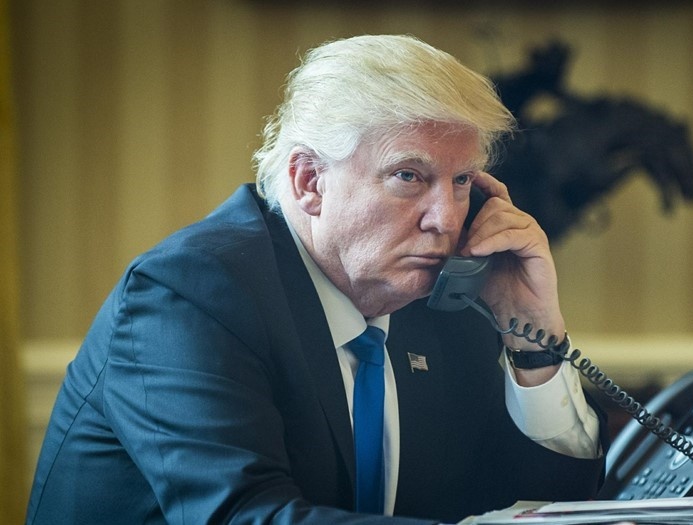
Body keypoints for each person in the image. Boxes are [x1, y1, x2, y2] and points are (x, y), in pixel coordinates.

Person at [26, 34, 606, 524]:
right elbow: (248, 515)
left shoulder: (440, 301)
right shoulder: (190, 295)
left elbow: (542, 506)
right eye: (409, 176)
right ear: (308, 181)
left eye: (461, 183)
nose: (447, 219)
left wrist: (533, 345)